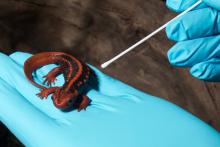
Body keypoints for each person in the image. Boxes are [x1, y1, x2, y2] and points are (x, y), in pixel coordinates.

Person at [0, 0, 219, 147]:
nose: (59, 102)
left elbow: (83, 97)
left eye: (61, 101)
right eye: (59, 100)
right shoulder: (64, 90)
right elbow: (58, 85)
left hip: (71, 67)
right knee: (54, 68)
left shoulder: (76, 94)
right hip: (66, 63)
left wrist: (83, 104)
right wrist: (49, 87)